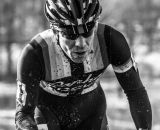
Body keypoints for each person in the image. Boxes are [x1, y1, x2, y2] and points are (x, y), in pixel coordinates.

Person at [15, 0, 152, 130]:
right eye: (70, 35)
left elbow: (135, 92)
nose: (81, 44)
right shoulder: (35, 53)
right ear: (55, 31)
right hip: (48, 112)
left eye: (87, 32)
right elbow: (23, 115)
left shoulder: (110, 40)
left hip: (91, 112)